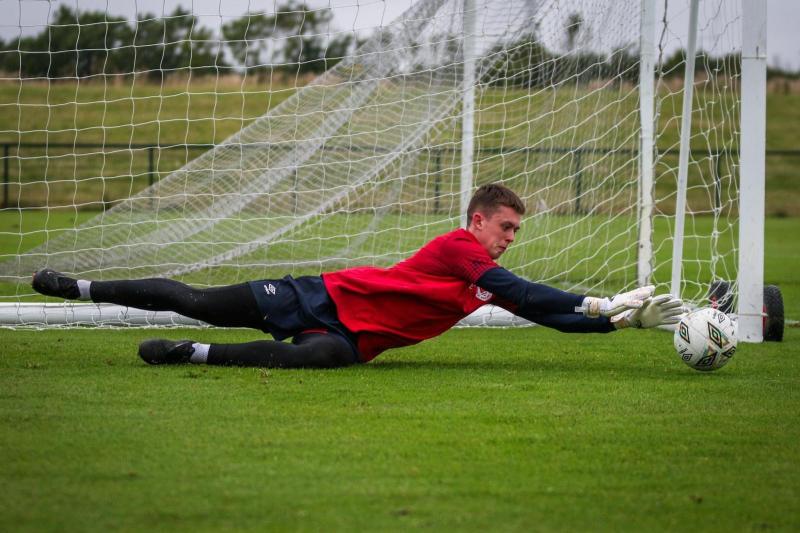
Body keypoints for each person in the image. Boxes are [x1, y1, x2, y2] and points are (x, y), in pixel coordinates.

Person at [31, 184, 683, 369]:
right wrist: (600, 301)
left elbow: (543, 311)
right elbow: (525, 293)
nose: (512, 238)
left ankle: (190, 355)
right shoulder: (462, 249)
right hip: (321, 293)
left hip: (357, 339)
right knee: (199, 298)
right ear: (479, 220)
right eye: (507, 227)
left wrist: (617, 323)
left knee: (309, 359)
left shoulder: (484, 274)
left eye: (516, 232)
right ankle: (79, 287)